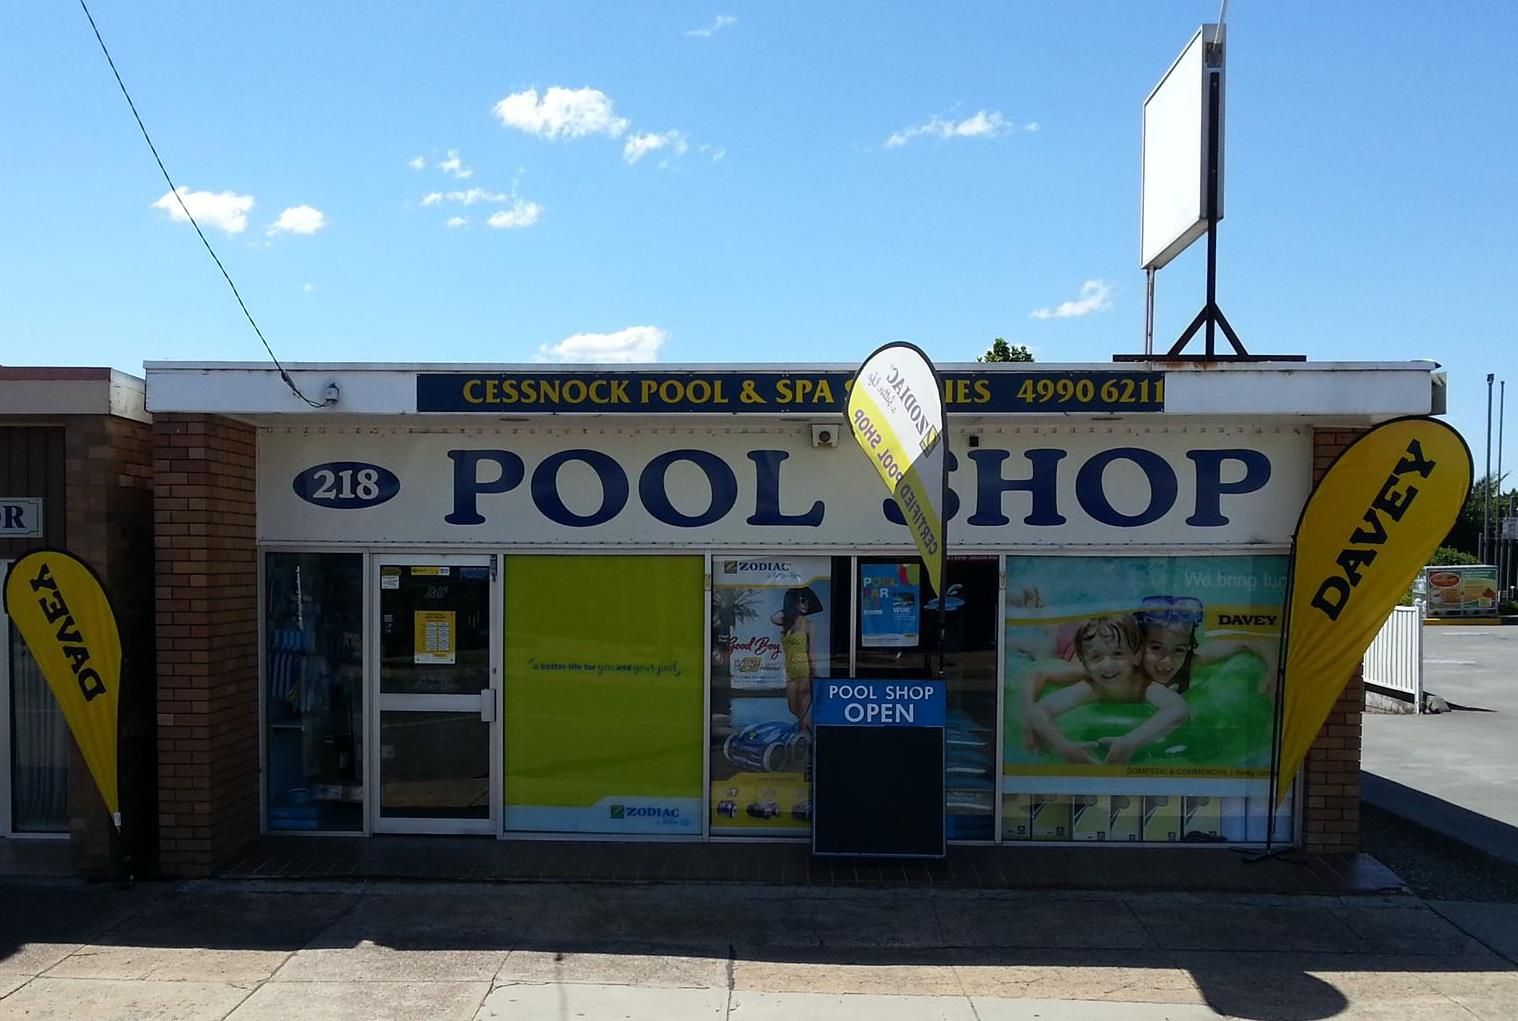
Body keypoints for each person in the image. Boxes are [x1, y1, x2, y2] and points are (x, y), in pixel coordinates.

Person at [1022, 615, 1190, 765]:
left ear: (1136, 656)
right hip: (1068, 642)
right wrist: (1064, 747)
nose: (1107, 665)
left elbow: (1178, 709)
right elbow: (1040, 709)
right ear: (1086, 663)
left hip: (1096, 640)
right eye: (1097, 658)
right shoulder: (1090, 686)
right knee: (1046, 643)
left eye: (1118, 654)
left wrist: (1128, 743)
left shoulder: (1143, 686)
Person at [772, 586, 822, 728]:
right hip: (790, 671)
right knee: (793, 708)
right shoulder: (786, 623)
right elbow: (773, 618)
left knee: (804, 708)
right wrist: (789, 606)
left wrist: (815, 671)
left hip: (803, 669)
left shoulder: (808, 625)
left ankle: (806, 737)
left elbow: (811, 649)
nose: (806, 605)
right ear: (793, 602)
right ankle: (809, 732)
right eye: (803, 601)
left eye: (808, 603)